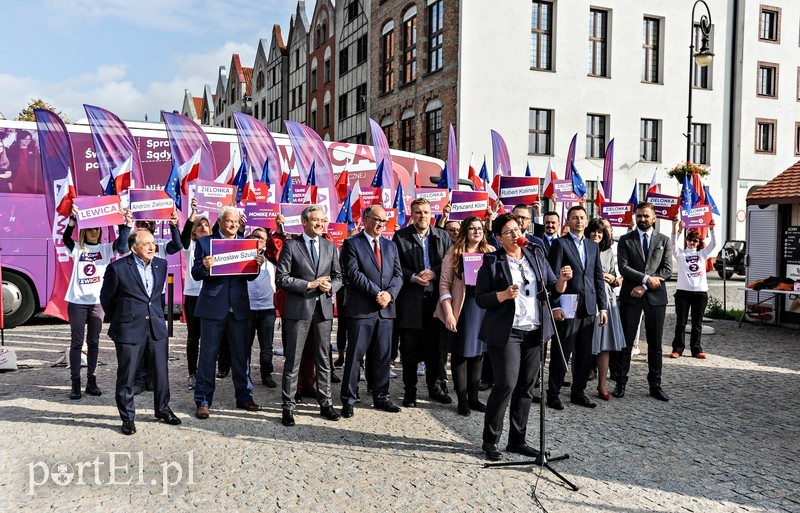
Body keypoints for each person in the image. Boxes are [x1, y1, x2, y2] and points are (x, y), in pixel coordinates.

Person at [475, 213, 568, 462]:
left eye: (518, 229)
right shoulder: (492, 261)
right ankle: (490, 440)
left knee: (527, 387)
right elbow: (480, 298)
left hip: (535, 331)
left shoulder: (536, 254)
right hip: (508, 332)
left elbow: (551, 288)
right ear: (498, 238)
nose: (516, 235)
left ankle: (517, 440)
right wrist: (503, 295)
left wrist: (561, 281)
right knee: (506, 383)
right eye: (509, 232)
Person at [100, 229, 181, 435]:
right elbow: (106, 299)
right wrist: (123, 317)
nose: (152, 247)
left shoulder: (161, 265)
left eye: (153, 243)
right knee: (127, 376)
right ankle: (127, 418)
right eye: (146, 244)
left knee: (161, 373)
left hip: (156, 327)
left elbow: (157, 297)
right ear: (134, 247)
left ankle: (162, 409)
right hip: (128, 329)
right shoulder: (117, 268)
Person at [192, 206, 264, 419]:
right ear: (220, 221)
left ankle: (244, 397)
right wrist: (204, 266)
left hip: (239, 308)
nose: (233, 225)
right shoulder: (205, 243)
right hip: (213, 307)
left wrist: (257, 266)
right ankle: (203, 401)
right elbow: (196, 274)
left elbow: (249, 277)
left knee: (242, 355)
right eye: (229, 221)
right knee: (207, 356)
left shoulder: (246, 244)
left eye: (236, 222)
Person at [275, 206, 343, 426]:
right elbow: (282, 278)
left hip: (323, 311)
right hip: (298, 310)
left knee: (323, 359)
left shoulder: (330, 246)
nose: (320, 224)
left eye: (323, 221)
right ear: (304, 222)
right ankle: (288, 406)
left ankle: (326, 403)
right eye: (316, 220)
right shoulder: (291, 246)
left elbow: (339, 277)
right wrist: (309, 285)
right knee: (293, 360)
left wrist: (329, 286)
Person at [339, 205, 403, 418]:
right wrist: (377, 293)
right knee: (355, 356)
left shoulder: (390, 245)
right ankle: (348, 399)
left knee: (383, 356)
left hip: (386, 310)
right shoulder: (352, 243)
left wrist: (390, 294)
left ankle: (381, 396)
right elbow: (353, 273)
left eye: (384, 221)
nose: (381, 225)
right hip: (362, 309)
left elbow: (398, 275)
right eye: (377, 220)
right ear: (365, 220)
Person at [63, 209, 132, 400]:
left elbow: (122, 245)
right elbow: (65, 238)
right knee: (77, 343)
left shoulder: (105, 249)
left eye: (97, 229)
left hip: (97, 303)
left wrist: (124, 223)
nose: (95, 232)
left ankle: (91, 380)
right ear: (84, 231)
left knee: (94, 342)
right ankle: (75, 383)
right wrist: (73, 220)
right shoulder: (77, 248)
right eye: (91, 229)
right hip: (77, 301)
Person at [393, 198, 453, 407]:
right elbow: (396, 266)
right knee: (409, 348)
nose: (422, 216)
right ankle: (410, 391)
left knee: (435, 348)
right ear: (412, 214)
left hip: (435, 300)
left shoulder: (442, 236)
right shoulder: (400, 237)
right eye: (418, 212)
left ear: (432, 214)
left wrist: (434, 273)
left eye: (426, 212)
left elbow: (449, 264)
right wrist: (411, 276)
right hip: (411, 299)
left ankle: (434, 387)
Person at [546, 205, 607, 410]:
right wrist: (555, 305)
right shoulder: (560, 244)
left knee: (584, 353)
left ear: (587, 221)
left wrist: (603, 307)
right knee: (562, 351)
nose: (579, 221)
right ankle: (553, 393)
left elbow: (598, 278)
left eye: (582, 217)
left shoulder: (592, 246)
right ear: (568, 221)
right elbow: (552, 277)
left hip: (588, 306)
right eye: (574, 218)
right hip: (567, 304)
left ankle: (578, 392)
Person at [435, 215, 495, 415]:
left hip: (484, 309)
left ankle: (474, 398)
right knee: (460, 354)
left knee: (478, 354)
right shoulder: (453, 253)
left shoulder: (490, 252)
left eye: (480, 228)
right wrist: (449, 313)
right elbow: (444, 284)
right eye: (472, 228)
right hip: (462, 308)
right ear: (465, 232)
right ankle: (462, 400)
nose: (477, 232)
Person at [612, 202, 673, 402]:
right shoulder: (626, 240)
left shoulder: (664, 240)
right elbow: (623, 267)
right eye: (639, 215)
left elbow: (666, 270)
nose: (642, 219)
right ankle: (620, 383)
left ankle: (655, 385)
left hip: (655, 297)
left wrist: (645, 286)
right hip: (631, 296)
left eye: (646, 215)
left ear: (654, 218)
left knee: (655, 343)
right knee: (626, 342)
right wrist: (645, 279)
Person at [586, 218, 626, 400]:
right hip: (587, 298)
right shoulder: (582, 248)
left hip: (606, 301)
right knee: (582, 345)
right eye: (593, 231)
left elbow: (615, 275)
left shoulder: (608, 252)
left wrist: (610, 277)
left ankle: (602, 385)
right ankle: (579, 382)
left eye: (600, 232)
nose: (596, 234)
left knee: (605, 345)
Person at [671, 218, 716, 359]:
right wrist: (677, 229)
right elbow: (672, 244)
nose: (692, 242)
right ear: (686, 240)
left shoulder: (702, 254)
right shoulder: (681, 254)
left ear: (699, 242)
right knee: (681, 322)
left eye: (695, 240)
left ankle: (696, 349)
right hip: (683, 292)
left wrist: (712, 229)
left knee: (697, 323)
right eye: (690, 239)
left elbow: (714, 244)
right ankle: (678, 348)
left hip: (700, 293)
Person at [180, 201, 211, 390]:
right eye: (199, 225)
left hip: (211, 294)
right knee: (194, 336)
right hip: (193, 295)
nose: (202, 227)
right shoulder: (190, 246)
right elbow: (183, 237)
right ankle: (192, 373)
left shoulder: (215, 244)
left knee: (211, 336)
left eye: (206, 224)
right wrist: (193, 214)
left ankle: (206, 372)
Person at [247, 227, 278, 388]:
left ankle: (266, 375)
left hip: (267, 307)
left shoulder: (271, 256)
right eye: (255, 236)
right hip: (248, 307)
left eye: (262, 238)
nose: (258, 240)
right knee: (245, 345)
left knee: (267, 346)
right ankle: (244, 376)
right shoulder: (243, 253)